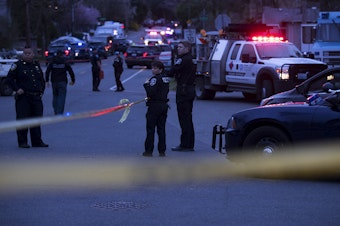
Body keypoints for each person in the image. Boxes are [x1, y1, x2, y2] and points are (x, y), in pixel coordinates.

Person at [6, 46, 48, 148]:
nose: (28, 55)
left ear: (33, 54)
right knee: (23, 119)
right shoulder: (17, 65)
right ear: (23, 54)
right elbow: (9, 79)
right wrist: (17, 89)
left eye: (30, 53)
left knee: (37, 119)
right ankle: (22, 142)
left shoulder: (36, 65)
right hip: (24, 97)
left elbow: (41, 79)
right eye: (26, 53)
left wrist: (41, 90)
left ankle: (37, 141)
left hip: (36, 97)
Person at [167, 40, 196, 152]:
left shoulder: (183, 60)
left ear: (187, 49)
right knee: (187, 118)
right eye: (178, 47)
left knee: (184, 118)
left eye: (180, 47)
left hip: (184, 91)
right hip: (189, 89)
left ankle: (185, 144)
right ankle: (189, 143)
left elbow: (171, 72)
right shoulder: (190, 59)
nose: (178, 49)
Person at [142, 61, 170, 157]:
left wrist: (146, 85)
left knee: (151, 129)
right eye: (152, 68)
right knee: (161, 129)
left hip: (154, 106)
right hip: (164, 105)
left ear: (160, 69)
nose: (153, 70)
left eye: (155, 68)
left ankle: (148, 151)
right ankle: (162, 151)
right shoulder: (165, 78)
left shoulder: (154, 79)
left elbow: (151, 92)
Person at [45, 50, 75, 115]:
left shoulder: (53, 62)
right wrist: (73, 80)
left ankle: (55, 109)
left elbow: (47, 71)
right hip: (63, 81)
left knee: (55, 95)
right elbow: (70, 71)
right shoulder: (64, 62)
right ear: (62, 55)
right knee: (62, 96)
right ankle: (59, 111)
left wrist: (47, 80)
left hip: (54, 81)